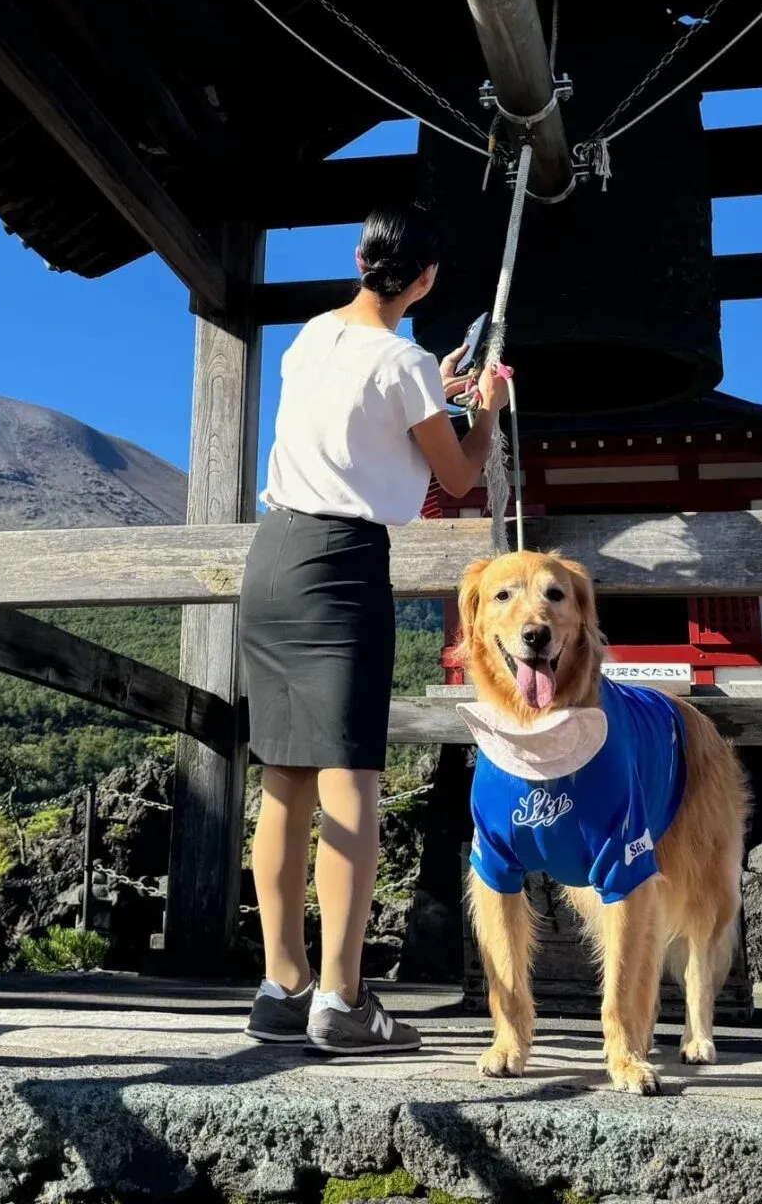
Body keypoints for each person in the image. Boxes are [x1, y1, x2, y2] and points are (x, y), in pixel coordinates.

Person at [238, 203, 512, 1054]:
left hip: (272, 556)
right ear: (425, 281)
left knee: (282, 777)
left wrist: (443, 382)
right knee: (349, 777)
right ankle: (345, 998)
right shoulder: (408, 363)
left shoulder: (311, 337)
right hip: (344, 567)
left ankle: (282, 985)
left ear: (360, 256)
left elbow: (359, 419)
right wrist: (488, 404)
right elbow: (460, 476)